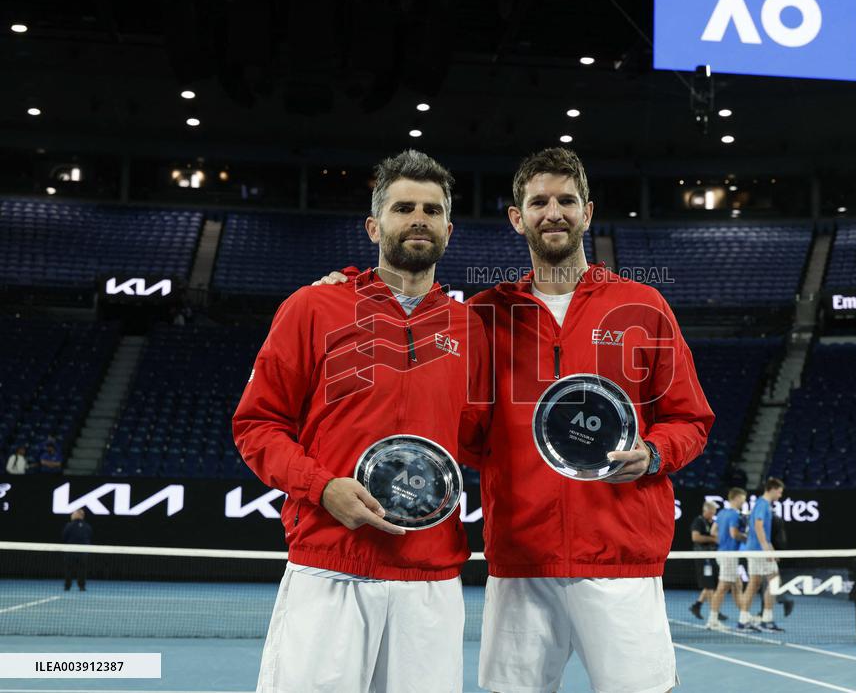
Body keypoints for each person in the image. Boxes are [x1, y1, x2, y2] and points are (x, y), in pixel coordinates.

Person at [318, 147, 715, 693]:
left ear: (588, 212)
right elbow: (450, 426)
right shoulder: (482, 315)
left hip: (620, 560)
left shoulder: (642, 305)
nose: (553, 212)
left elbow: (690, 420)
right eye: (538, 201)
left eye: (566, 201)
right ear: (517, 216)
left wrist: (654, 453)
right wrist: (350, 288)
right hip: (520, 563)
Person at [233, 150, 490, 693]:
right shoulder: (313, 307)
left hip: (430, 577)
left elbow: (482, 443)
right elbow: (257, 426)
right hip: (331, 565)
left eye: (431, 208)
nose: (418, 218)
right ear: (374, 225)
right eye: (403, 208)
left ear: (449, 227)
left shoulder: (470, 329)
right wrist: (321, 487)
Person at [706, 488, 756, 632]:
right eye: (743, 497)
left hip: (724, 553)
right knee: (722, 588)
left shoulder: (721, 513)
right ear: (736, 497)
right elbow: (734, 534)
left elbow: (712, 531)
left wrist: (722, 542)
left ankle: (744, 615)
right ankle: (713, 620)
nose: (744, 500)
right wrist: (748, 538)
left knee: (737, 585)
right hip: (728, 555)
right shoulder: (734, 515)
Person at [742, 478, 786, 633]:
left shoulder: (762, 504)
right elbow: (758, 526)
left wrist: (770, 548)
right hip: (758, 550)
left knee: (754, 584)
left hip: (757, 549)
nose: (780, 495)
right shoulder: (762, 504)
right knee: (774, 580)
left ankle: (744, 620)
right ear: (772, 489)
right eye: (779, 492)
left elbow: (762, 532)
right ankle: (766, 619)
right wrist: (766, 549)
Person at [689, 500, 719, 620]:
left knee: (710, 584)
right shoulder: (698, 521)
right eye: (711, 512)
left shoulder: (711, 522)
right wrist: (713, 539)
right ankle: (714, 612)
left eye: (714, 512)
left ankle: (698, 605)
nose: (713, 514)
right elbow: (695, 537)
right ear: (706, 510)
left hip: (711, 556)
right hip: (702, 557)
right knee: (709, 585)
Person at [61, 509, 92, 591]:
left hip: (71, 552)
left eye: (73, 514)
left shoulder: (69, 525)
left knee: (69, 569)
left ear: (78, 515)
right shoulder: (87, 526)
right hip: (83, 552)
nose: (72, 515)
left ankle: (67, 586)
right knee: (82, 570)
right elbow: (89, 536)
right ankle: (82, 587)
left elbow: (64, 536)